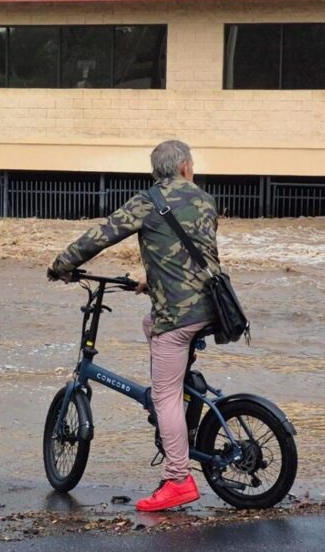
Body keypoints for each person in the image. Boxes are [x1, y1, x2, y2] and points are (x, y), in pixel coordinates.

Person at [47, 139, 220, 512]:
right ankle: (183, 395)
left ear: (156, 171)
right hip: (214, 307)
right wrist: (151, 279)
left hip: (177, 316)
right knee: (149, 322)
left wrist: (60, 265)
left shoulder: (147, 201)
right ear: (186, 167)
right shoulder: (205, 200)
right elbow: (188, 251)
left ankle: (178, 478)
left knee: (164, 395)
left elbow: (101, 235)